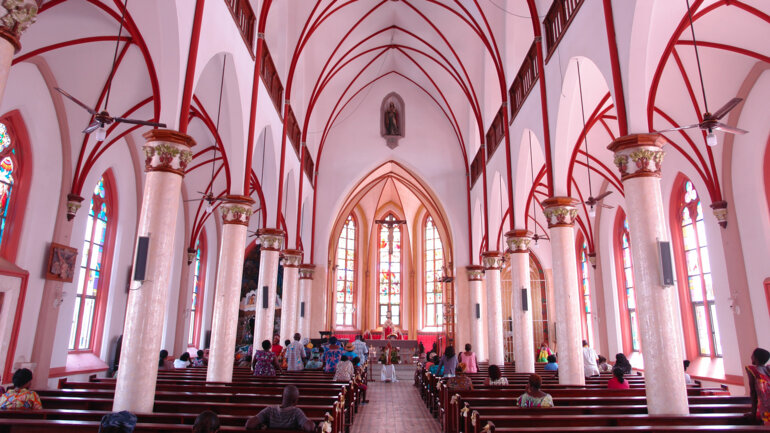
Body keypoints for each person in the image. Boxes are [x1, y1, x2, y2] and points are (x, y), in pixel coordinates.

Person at [245, 385, 315, 432]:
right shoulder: (296, 412)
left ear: (282, 396)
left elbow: (249, 424)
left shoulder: (270, 410)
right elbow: (310, 428)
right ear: (295, 401)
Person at [746, 347, 770, 425]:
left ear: (755, 358)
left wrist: (753, 413)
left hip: (766, 411)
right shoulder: (768, 370)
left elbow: (753, 393)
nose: (751, 356)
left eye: (752, 355)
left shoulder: (753, 371)